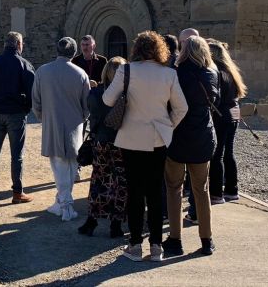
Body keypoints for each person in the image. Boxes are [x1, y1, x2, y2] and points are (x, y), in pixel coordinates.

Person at [104, 31, 187, 262]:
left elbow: (107, 100)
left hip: (131, 137)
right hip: (158, 137)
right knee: (155, 192)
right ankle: (157, 246)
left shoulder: (127, 70)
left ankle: (135, 245)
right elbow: (182, 108)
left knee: (135, 193)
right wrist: (168, 126)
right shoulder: (169, 74)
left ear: (137, 49)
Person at [164, 33, 219, 257]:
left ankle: (175, 239)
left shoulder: (175, 74)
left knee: (174, 189)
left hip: (178, 136)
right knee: (201, 190)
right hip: (202, 136)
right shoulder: (212, 74)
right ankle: (206, 239)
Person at [32, 37, 90, 222]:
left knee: (58, 165)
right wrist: (81, 119)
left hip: (52, 123)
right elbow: (87, 105)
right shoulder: (80, 73)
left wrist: (45, 118)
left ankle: (64, 204)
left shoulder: (43, 71)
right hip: (74, 125)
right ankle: (63, 203)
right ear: (74, 52)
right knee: (70, 165)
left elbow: (36, 101)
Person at [78, 56, 128, 238]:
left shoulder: (95, 94)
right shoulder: (126, 96)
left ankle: (92, 221)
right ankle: (116, 224)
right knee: (121, 182)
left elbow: (92, 114)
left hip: (100, 141)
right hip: (122, 143)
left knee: (99, 181)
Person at [0, 31, 36, 203]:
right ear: (19, 45)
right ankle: (17, 193)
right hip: (15, 113)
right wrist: (26, 108)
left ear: (5, 44)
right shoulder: (24, 64)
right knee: (17, 155)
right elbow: (32, 92)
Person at [208, 39, 247, 203]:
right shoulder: (231, 72)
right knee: (228, 153)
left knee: (217, 155)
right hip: (233, 113)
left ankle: (216, 193)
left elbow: (216, 97)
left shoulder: (217, 72)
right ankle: (232, 189)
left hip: (221, 115)